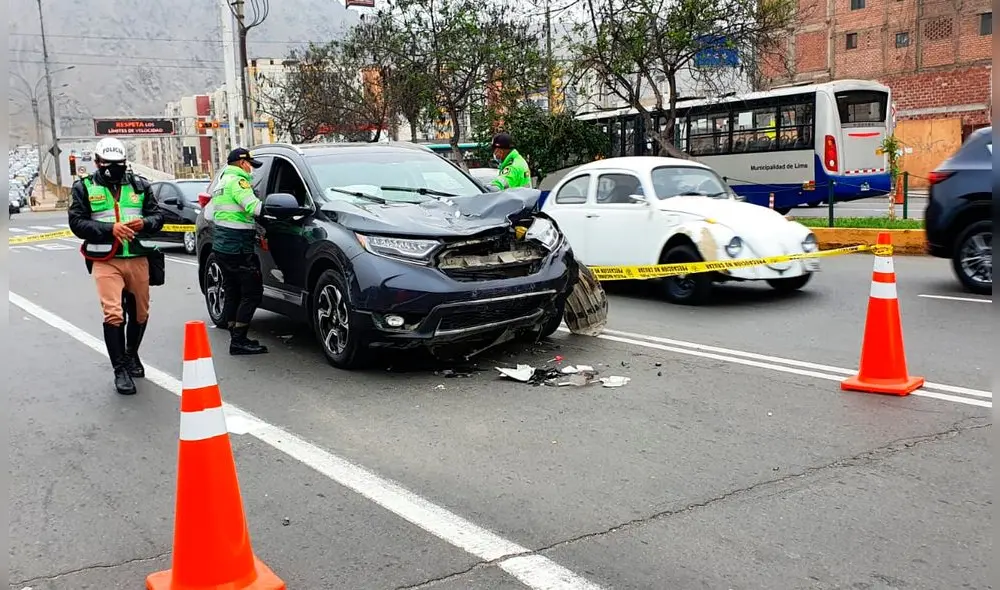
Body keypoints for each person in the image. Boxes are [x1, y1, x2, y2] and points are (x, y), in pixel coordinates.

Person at [68, 137, 164, 395]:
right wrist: (110, 229)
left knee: (141, 313)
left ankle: (132, 354)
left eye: (119, 163)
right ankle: (120, 369)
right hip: (105, 259)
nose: (114, 168)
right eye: (108, 163)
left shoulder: (140, 186)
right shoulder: (84, 188)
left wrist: (145, 223)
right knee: (114, 314)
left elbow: (158, 216)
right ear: (98, 163)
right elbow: (77, 223)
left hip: (137, 257)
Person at [210, 147, 269, 355]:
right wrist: (271, 208)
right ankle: (239, 340)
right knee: (252, 292)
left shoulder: (221, 182)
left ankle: (235, 334)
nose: (251, 170)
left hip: (222, 246)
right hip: (238, 247)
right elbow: (255, 208)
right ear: (243, 163)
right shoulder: (238, 181)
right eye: (251, 165)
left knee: (233, 290)